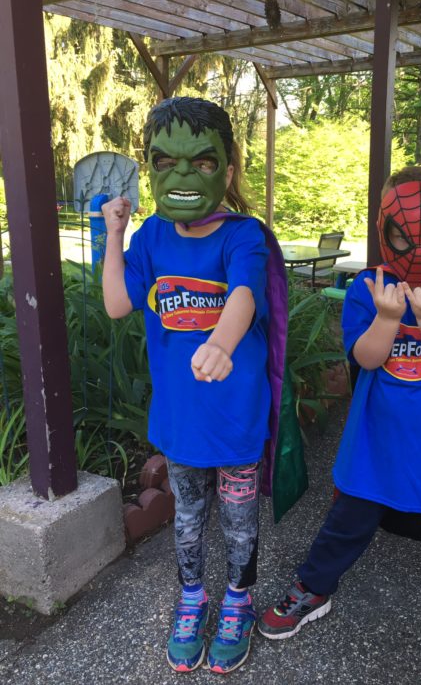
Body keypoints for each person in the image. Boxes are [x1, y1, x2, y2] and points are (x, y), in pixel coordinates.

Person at [258, 166, 421, 646]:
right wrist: (387, 316)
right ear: (384, 228)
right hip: (374, 439)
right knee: (349, 517)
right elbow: (365, 357)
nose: (417, 249)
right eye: (402, 236)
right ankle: (314, 587)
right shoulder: (368, 286)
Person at [102, 96, 286, 674]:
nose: (183, 176)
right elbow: (115, 303)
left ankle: (238, 600)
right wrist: (115, 232)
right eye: (166, 162)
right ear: (152, 166)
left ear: (227, 170)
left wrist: (221, 343)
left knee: (236, 516)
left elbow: (245, 294)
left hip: (233, 415)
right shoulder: (152, 237)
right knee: (186, 516)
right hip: (181, 419)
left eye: (202, 163)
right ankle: (192, 599)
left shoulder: (243, 235)